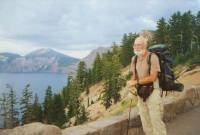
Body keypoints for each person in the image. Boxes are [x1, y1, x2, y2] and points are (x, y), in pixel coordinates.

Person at [127, 36, 167, 135]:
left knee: (156, 122)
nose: (136, 47)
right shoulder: (134, 59)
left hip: (154, 91)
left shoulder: (152, 57)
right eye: (135, 45)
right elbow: (134, 76)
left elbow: (153, 77)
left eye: (139, 44)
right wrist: (131, 85)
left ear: (145, 45)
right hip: (141, 93)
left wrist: (136, 82)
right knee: (146, 123)